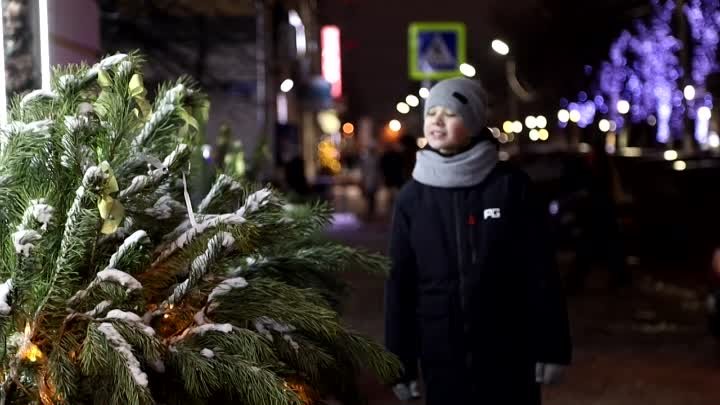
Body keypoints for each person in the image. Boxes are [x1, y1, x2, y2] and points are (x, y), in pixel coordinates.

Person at [384, 77, 572, 404]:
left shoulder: (510, 187)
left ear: (472, 121)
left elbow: (540, 273)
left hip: (509, 354)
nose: (437, 122)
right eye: (432, 114)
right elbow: (399, 284)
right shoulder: (412, 197)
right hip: (441, 356)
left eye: (450, 113)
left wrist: (552, 347)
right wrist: (399, 364)